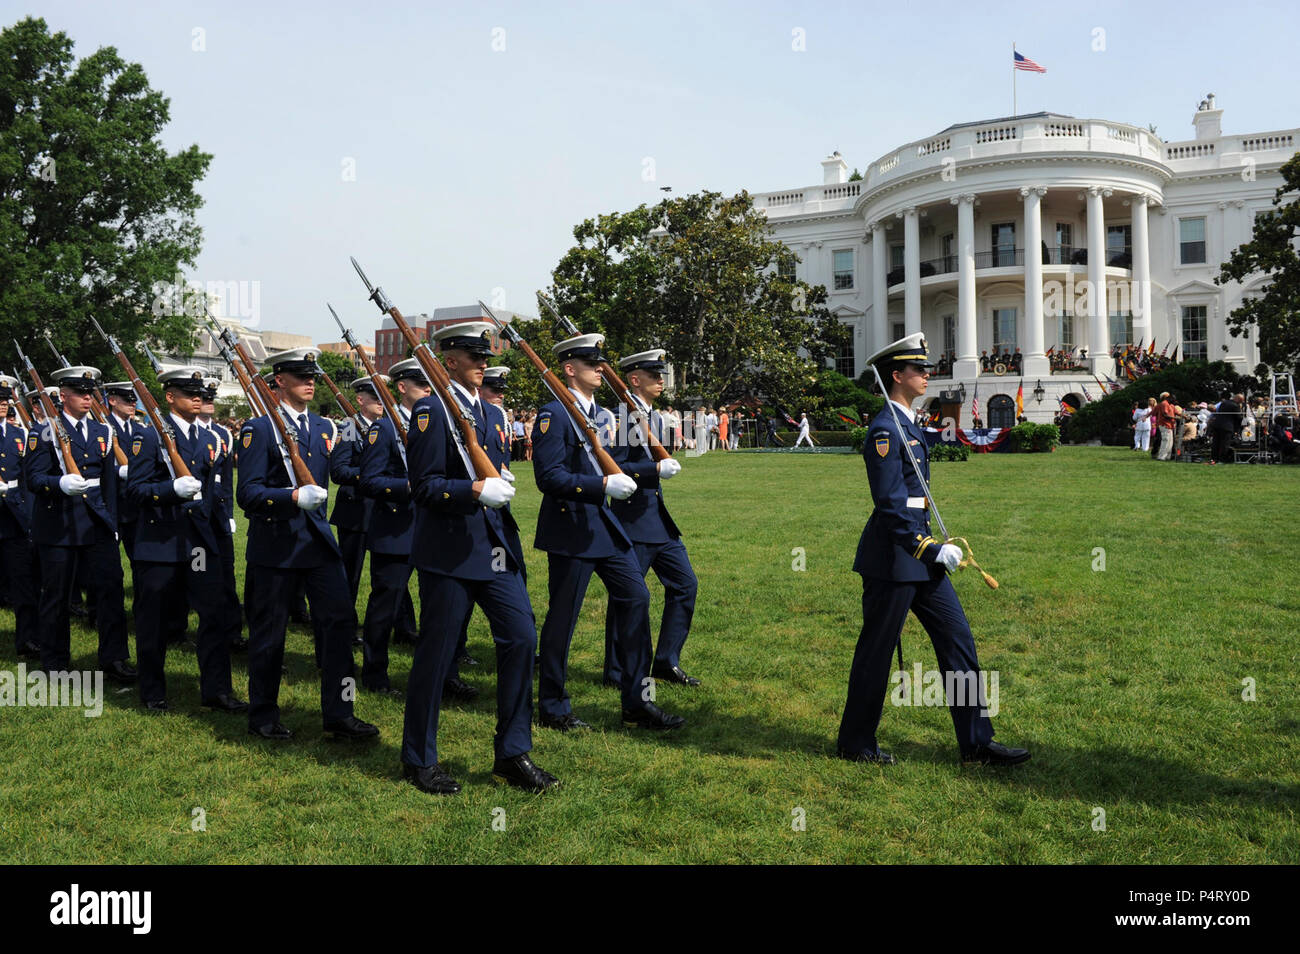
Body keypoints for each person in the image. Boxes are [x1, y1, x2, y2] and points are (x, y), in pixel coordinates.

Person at [838, 332, 1029, 766]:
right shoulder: (886, 429)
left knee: (958, 641)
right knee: (876, 652)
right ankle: (855, 742)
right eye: (918, 369)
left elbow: (912, 497)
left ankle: (977, 742)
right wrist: (928, 547)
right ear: (896, 376)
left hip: (922, 557)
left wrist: (930, 547)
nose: (927, 374)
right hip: (894, 559)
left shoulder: (906, 423)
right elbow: (889, 503)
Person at [401, 323, 557, 794]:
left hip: (493, 548)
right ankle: (418, 758)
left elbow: (496, 466)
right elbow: (423, 486)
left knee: (520, 638)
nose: (483, 364)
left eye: (485, 357)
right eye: (474, 357)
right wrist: (472, 488)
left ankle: (512, 752)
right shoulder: (430, 411)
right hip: (449, 552)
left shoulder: (490, 415)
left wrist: (499, 480)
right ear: (449, 361)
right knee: (437, 654)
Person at [532, 333, 686, 732]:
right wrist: (601, 485)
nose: (600, 369)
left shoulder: (602, 415)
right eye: (590, 363)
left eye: (600, 362)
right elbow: (548, 477)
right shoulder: (553, 413)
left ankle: (636, 700)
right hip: (569, 528)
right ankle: (552, 706)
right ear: (570, 370)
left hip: (602, 525)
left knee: (636, 597)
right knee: (563, 619)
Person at [235, 348, 378, 741]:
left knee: (339, 626)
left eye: (312, 375)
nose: (310, 382)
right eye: (300, 375)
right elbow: (246, 494)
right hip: (276, 545)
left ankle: (340, 712)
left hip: (318, 543)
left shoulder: (322, 427)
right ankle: (263, 716)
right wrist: (290, 498)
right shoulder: (258, 428)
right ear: (279, 381)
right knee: (270, 635)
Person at [126, 367, 246, 714]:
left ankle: (217, 690)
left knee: (214, 615)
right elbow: (134, 490)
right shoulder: (148, 437)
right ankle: (151, 692)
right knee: (155, 621)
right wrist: (169, 490)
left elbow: (213, 493)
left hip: (199, 544)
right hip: (161, 543)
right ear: (169, 397)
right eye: (189, 392)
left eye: (201, 393)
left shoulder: (209, 438)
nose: (198, 398)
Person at [24, 365, 135, 681]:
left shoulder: (103, 432)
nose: (88, 399)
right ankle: (55, 661)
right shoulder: (44, 431)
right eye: (81, 393)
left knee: (110, 590)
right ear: (63, 396)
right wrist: (59, 484)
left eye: (91, 393)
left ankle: (113, 658)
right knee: (57, 595)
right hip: (59, 523)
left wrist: (113, 522)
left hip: (97, 522)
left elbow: (111, 484)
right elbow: (33, 478)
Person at [601, 349, 700, 689]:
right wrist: (653, 469)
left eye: (661, 374)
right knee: (628, 597)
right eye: (654, 374)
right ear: (633, 379)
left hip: (658, 521)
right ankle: (615, 671)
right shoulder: (619, 418)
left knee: (685, 584)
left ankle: (665, 661)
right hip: (631, 523)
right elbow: (611, 467)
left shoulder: (652, 417)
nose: (661, 379)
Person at [327, 374, 388, 642]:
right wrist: (368, 475)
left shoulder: (387, 427)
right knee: (349, 574)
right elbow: (339, 471)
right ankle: (344, 627)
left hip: (383, 510)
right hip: (356, 511)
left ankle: (400, 627)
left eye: (383, 397)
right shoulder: (350, 427)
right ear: (360, 400)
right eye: (375, 398)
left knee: (388, 574)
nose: (380, 403)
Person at [197, 378, 246, 653]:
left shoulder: (223, 435)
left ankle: (232, 631)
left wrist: (227, 513)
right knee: (196, 572)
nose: (209, 401)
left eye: (211, 397)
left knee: (227, 574)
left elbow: (226, 479)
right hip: (195, 512)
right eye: (205, 397)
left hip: (217, 510)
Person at [0, 375, 40, 659]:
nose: (2, 405)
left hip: (14, 515)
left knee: (23, 581)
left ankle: (27, 639)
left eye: (4, 400)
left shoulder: (18, 435)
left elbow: (27, 477)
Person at [1209, 392, 1240, 464]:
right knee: (1224, 444)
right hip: (1227, 427)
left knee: (1215, 443)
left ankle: (1213, 459)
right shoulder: (1235, 405)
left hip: (1217, 425)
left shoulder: (1223, 403)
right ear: (1237, 399)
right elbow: (1238, 417)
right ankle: (1221, 460)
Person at [1155, 391, 1176, 461]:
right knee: (1166, 441)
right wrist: (1176, 418)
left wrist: (1183, 415)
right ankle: (1161, 457)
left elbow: (1177, 412)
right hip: (1164, 425)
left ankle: (1167, 456)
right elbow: (1165, 415)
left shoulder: (1170, 405)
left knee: (1170, 441)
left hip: (1169, 425)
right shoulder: (1164, 404)